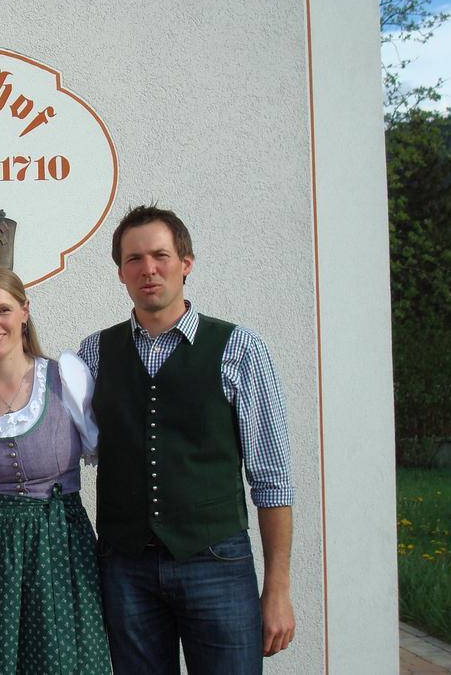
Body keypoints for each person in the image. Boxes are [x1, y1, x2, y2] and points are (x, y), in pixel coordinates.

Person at [78, 204, 296, 674]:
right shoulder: (93, 354)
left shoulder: (240, 349)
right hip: (125, 567)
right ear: (120, 272)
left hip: (216, 560)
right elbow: (59, 445)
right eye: (134, 259)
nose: (148, 269)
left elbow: (273, 479)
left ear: (186, 263)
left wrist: (276, 588)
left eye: (160, 255)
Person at [0, 265, 111, 675]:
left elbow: (110, 457)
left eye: (2, 310)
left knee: (65, 662)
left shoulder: (65, 377)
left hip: (60, 545)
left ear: (24, 311)